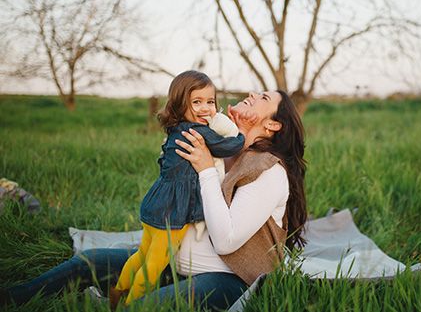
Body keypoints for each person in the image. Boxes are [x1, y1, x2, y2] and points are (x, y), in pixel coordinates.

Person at [1, 90, 307, 311]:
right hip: (173, 261)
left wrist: (204, 171)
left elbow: (227, 240)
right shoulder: (222, 149)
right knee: (90, 260)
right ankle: (11, 297)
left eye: (264, 98)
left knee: (142, 307)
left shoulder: (267, 170)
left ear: (273, 125)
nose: (253, 93)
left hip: (227, 279)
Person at [111, 70, 245, 306]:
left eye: (210, 102)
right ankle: (130, 304)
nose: (206, 108)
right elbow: (228, 147)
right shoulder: (198, 132)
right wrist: (240, 134)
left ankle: (117, 293)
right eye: (196, 102)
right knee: (154, 265)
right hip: (171, 213)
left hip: (155, 203)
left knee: (141, 254)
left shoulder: (177, 128)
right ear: (179, 104)